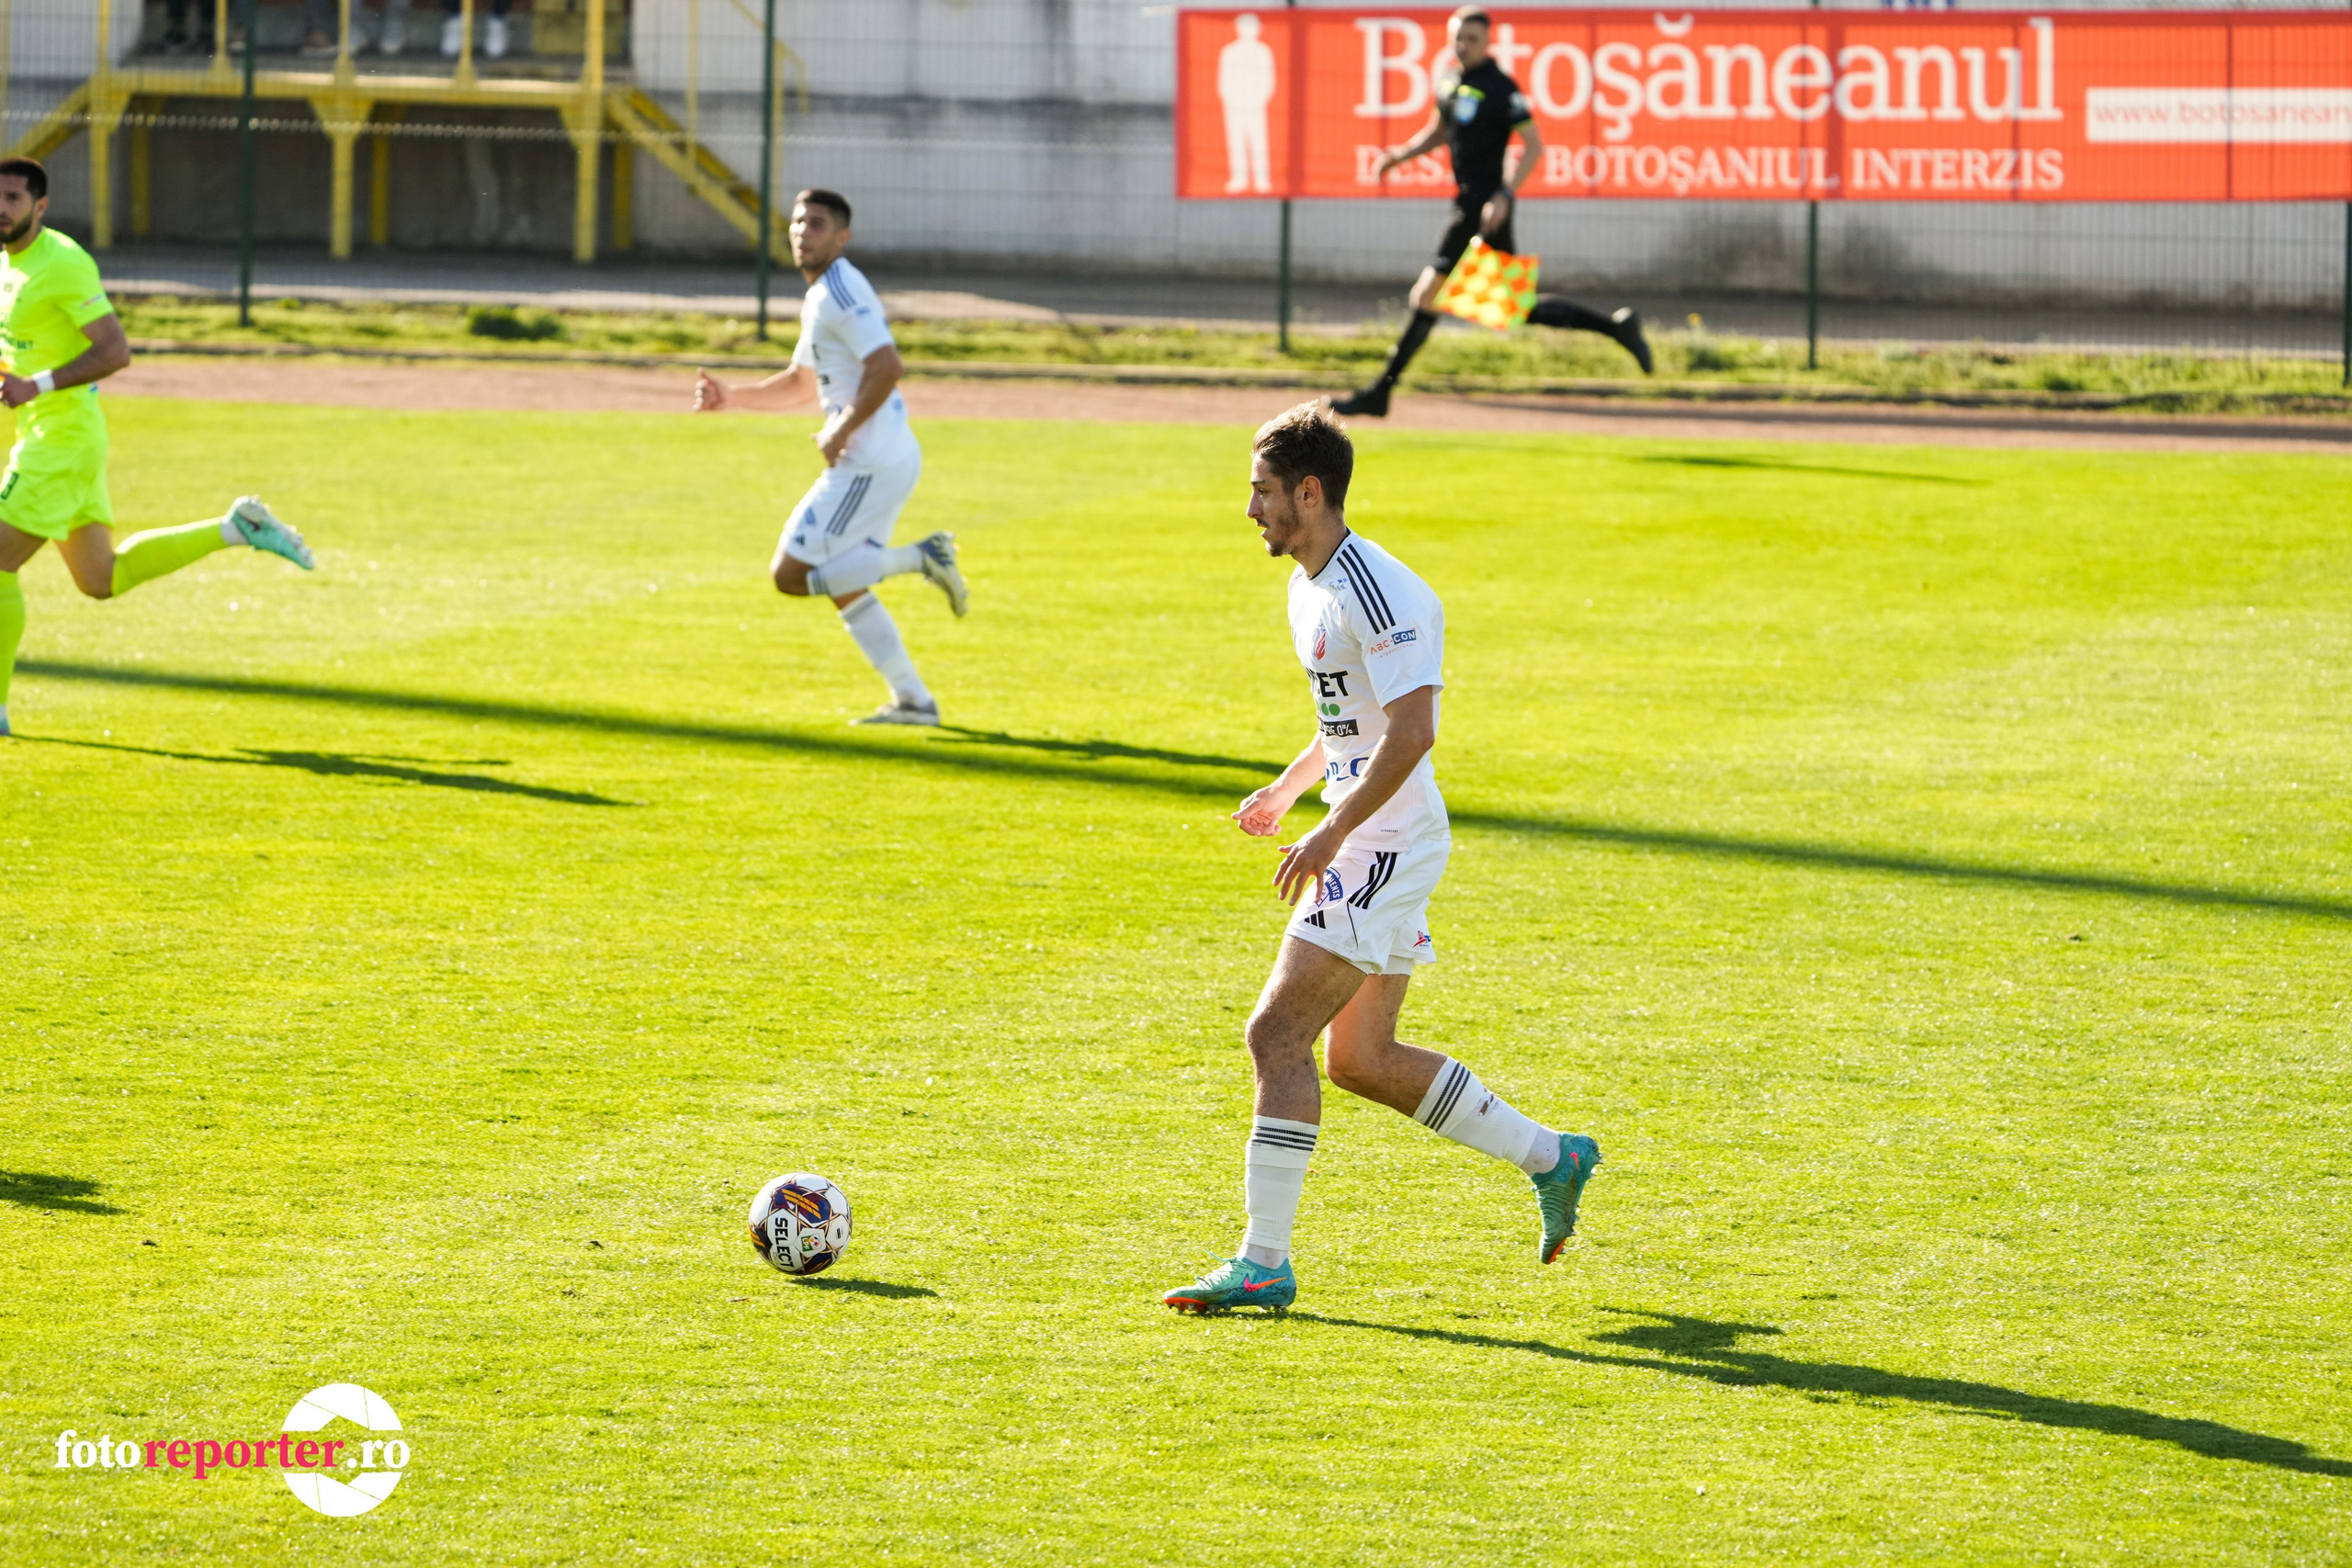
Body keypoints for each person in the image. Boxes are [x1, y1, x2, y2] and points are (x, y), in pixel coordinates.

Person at [1161, 402, 1600, 1314]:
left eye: (1262, 492)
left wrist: (1330, 833)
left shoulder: (1384, 590)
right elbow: (1348, 720)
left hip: (1386, 842)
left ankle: (1263, 1263)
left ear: (1308, 493)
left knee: (1274, 1036)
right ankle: (1552, 1157)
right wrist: (1289, 791)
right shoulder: (1306, 583)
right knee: (1359, 1058)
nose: (1250, 510)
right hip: (1370, 835)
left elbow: (1412, 731)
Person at [0, 158, 313, 740]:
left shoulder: (62, 263)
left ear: (40, 207)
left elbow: (115, 351)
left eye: (13, 198)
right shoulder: (7, 265)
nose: (2, 208)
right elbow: (25, 344)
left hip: (61, 441)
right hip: (58, 436)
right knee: (101, 579)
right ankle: (235, 528)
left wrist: (34, 387)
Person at [694, 187, 968, 727]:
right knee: (845, 582)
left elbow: (887, 366)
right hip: (885, 456)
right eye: (797, 222)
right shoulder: (823, 295)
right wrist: (734, 397)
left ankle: (923, 556)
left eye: (817, 224)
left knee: (791, 575)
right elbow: (801, 382)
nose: (802, 232)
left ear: (841, 238)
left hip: (868, 462)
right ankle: (914, 700)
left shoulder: (840, 291)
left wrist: (840, 430)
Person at [1332, 6, 1651, 419]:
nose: (1463, 45)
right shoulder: (1450, 80)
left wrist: (1505, 193)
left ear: (1487, 43)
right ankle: (1617, 328)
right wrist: (1399, 155)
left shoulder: (1500, 88)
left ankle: (1380, 394)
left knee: (1433, 296)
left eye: (1472, 39)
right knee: (1507, 307)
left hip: (1484, 209)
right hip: (1468, 203)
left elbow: (1534, 145)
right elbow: (1439, 131)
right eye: (1458, 37)